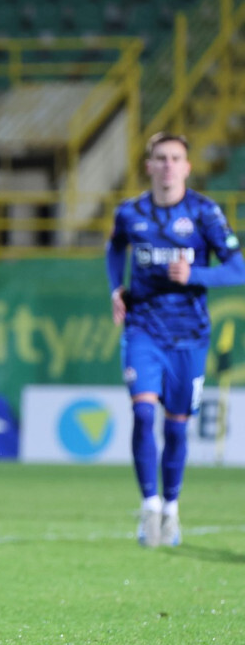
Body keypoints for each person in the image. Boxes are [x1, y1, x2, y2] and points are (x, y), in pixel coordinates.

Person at [107, 131, 245, 548]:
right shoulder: (130, 213)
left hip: (189, 335)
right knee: (144, 415)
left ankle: (171, 509)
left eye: (176, 159)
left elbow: (238, 268)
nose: (168, 165)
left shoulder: (204, 213)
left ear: (186, 167)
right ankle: (149, 507)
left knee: (177, 428)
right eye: (161, 158)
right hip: (144, 329)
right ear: (149, 165)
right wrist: (116, 288)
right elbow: (115, 250)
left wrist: (197, 275)